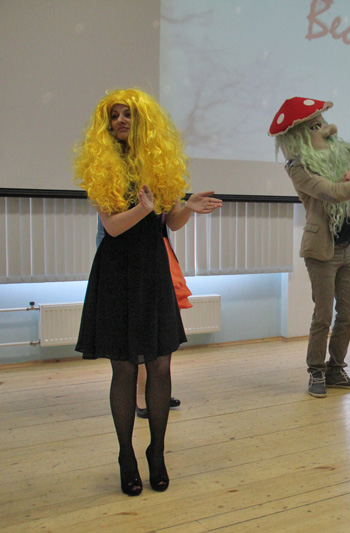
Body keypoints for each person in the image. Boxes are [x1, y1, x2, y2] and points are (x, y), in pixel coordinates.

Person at [74, 88, 222, 496]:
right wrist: (143, 208)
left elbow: (170, 223)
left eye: (128, 115)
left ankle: (157, 452)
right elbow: (113, 227)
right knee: (124, 368)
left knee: (160, 366)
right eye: (114, 116)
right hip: (116, 271)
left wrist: (187, 207)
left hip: (153, 269)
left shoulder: (159, 162)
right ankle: (126, 455)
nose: (121, 121)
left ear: (143, 122)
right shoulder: (100, 165)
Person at [269, 97, 350, 398]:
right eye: (316, 126)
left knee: (348, 313)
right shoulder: (298, 167)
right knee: (322, 316)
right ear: (300, 136)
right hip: (321, 250)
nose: (326, 129)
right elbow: (334, 193)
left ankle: (336, 370)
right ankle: (316, 371)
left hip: (346, 247)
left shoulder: (340, 153)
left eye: (322, 122)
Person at [96, 217, 182, 419]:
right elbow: (110, 230)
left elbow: (171, 223)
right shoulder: (114, 195)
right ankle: (141, 395)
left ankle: (155, 391)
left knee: (159, 337)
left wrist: (186, 208)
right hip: (124, 262)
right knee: (136, 336)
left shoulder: (163, 194)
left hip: (157, 258)